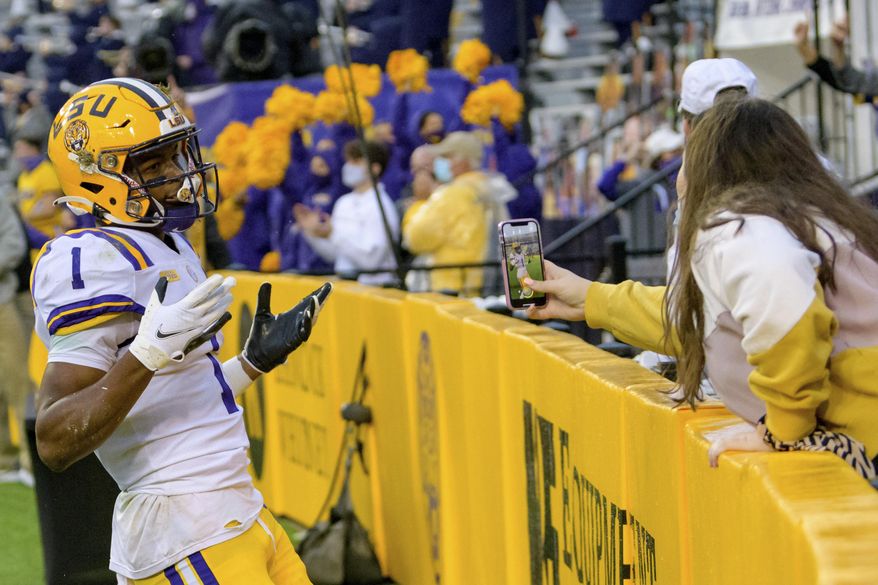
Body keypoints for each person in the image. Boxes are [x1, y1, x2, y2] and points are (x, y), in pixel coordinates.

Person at [35, 77, 332, 583]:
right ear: (98, 178)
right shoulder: (93, 259)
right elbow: (55, 438)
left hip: (236, 509)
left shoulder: (167, 243)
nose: (178, 175)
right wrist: (148, 353)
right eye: (154, 166)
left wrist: (248, 366)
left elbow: (170, 397)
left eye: (176, 156)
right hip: (183, 527)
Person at [525, 98, 878, 480]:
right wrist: (592, 299)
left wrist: (782, 429)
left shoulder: (738, 225)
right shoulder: (808, 217)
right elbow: (699, 317)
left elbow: (781, 295)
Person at [402, 131, 510, 295]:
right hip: (481, 286)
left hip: (450, 289)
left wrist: (420, 202)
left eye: (446, 157)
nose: (440, 162)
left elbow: (416, 238)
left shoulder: (453, 194)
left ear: (462, 161)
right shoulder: (490, 190)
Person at [295, 139, 400, 286]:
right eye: (348, 161)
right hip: (346, 289)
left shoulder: (381, 206)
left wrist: (332, 234)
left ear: (375, 168)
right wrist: (313, 233)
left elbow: (372, 261)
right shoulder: (343, 202)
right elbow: (335, 255)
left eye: (356, 162)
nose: (349, 166)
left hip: (376, 291)